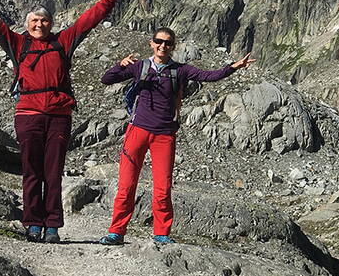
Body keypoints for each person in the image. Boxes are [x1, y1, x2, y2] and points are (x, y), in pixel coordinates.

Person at [0, 0, 122, 242]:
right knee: (31, 172)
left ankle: (52, 226)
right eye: (34, 21)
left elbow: (88, 21)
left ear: (51, 23)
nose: (39, 24)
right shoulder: (17, 43)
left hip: (59, 116)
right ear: (27, 25)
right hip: (28, 115)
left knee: (53, 172)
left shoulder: (63, 41)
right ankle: (32, 223)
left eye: (44, 20)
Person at [99, 28, 254, 245]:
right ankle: (116, 231)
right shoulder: (139, 67)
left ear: (173, 47)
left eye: (168, 43)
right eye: (159, 41)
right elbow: (106, 79)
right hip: (138, 131)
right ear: (151, 43)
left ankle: (161, 233)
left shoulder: (180, 70)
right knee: (126, 185)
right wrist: (120, 64)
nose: (163, 46)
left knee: (163, 187)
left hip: (164, 135)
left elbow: (208, 76)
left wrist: (233, 67)